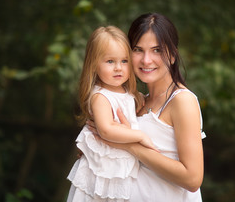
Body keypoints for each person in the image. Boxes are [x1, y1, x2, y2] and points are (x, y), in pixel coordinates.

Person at [88, 13, 206, 202]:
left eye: (157, 50)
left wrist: (130, 145)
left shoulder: (181, 101)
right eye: (138, 50)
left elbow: (192, 179)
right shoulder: (136, 102)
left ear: (173, 55)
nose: (146, 60)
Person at [66, 26, 158, 202]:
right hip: (100, 172)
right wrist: (139, 136)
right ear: (94, 64)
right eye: (110, 62)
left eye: (124, 61)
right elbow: (106, 130)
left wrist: (136, 98)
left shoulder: (127, 93)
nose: (118, 68)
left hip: (117, 171)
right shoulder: (100, 96)